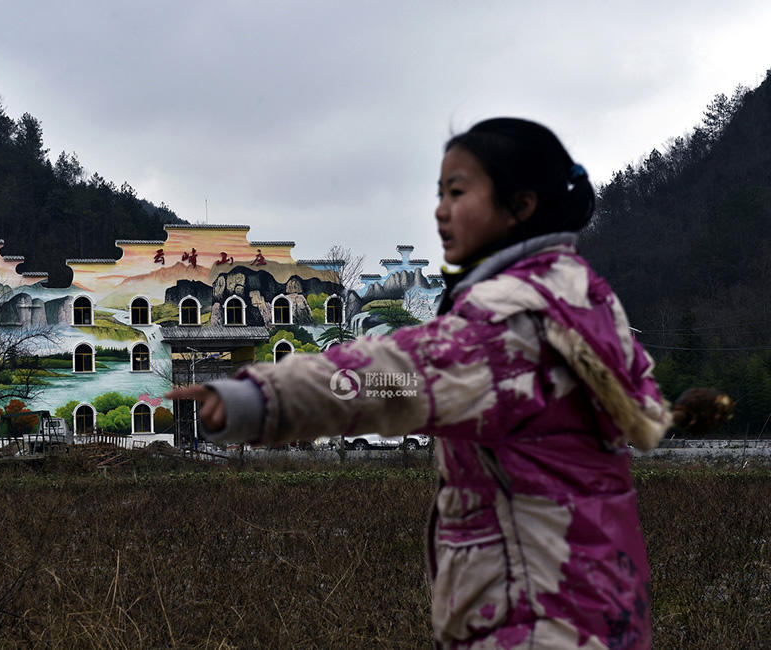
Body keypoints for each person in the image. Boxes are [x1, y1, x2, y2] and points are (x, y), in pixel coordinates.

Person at [166, 118, 670, 648]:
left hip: (531, 619)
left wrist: (258, 398)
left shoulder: (504, 328)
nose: (440, 210)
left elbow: (386, 377)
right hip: (601, 608)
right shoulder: (585, 301)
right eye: (438, 193)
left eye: (458, 192)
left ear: (521, 205)